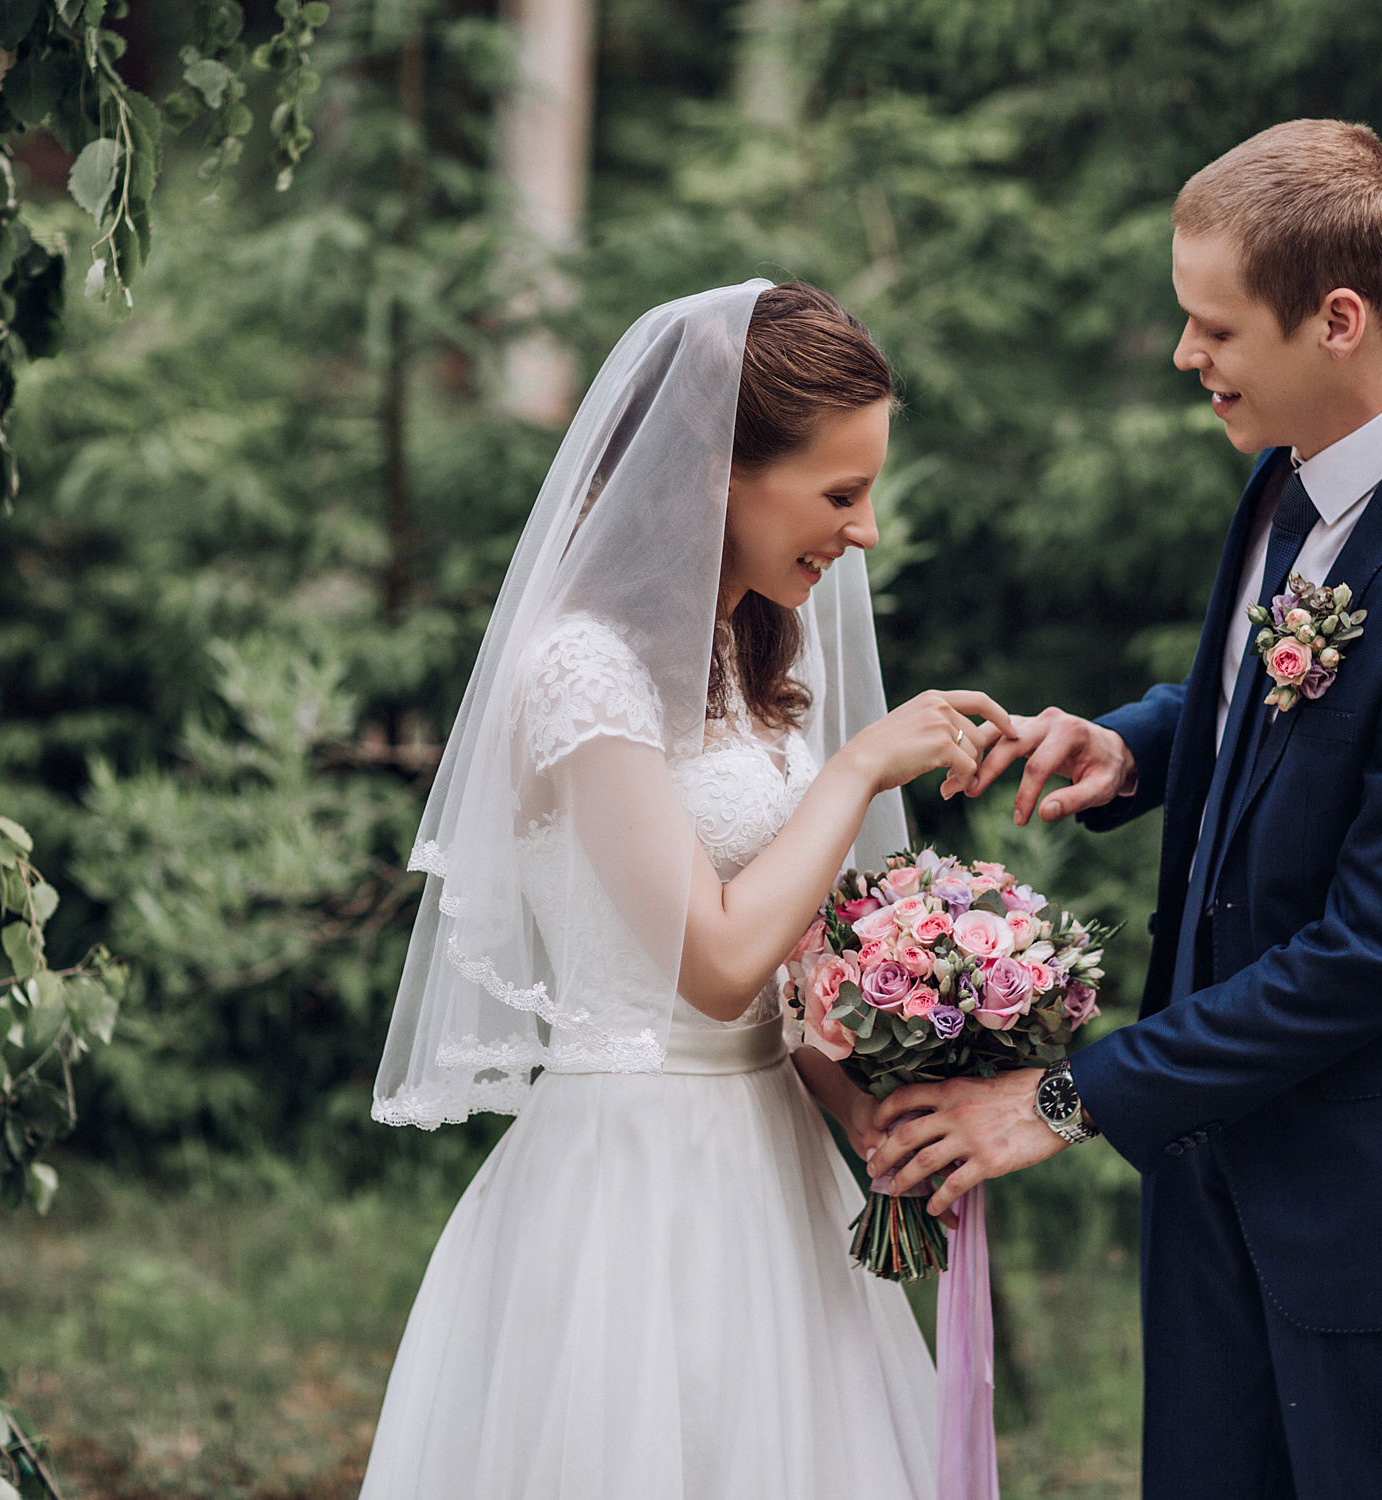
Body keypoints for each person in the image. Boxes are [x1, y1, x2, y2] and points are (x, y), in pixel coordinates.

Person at [866, 120, 1382, 1498]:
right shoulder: (1292, 460)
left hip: (1377, 1191)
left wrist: (1065, 1099)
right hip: (1219, 1159)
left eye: (1210, 328)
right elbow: (1273, 701)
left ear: (1335, 319)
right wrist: (1133, 748)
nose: (1186, 357)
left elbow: (1372, 953)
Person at [361, 280, 1013, 1500]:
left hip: (771, 1154)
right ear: (720, 473)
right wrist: (867, 764)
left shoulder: (748, 644)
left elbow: (774, 969)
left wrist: (865, 1105)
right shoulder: (581, 670)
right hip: (635, 1178)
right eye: (839, 493)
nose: (864, 532)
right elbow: (711, 967)